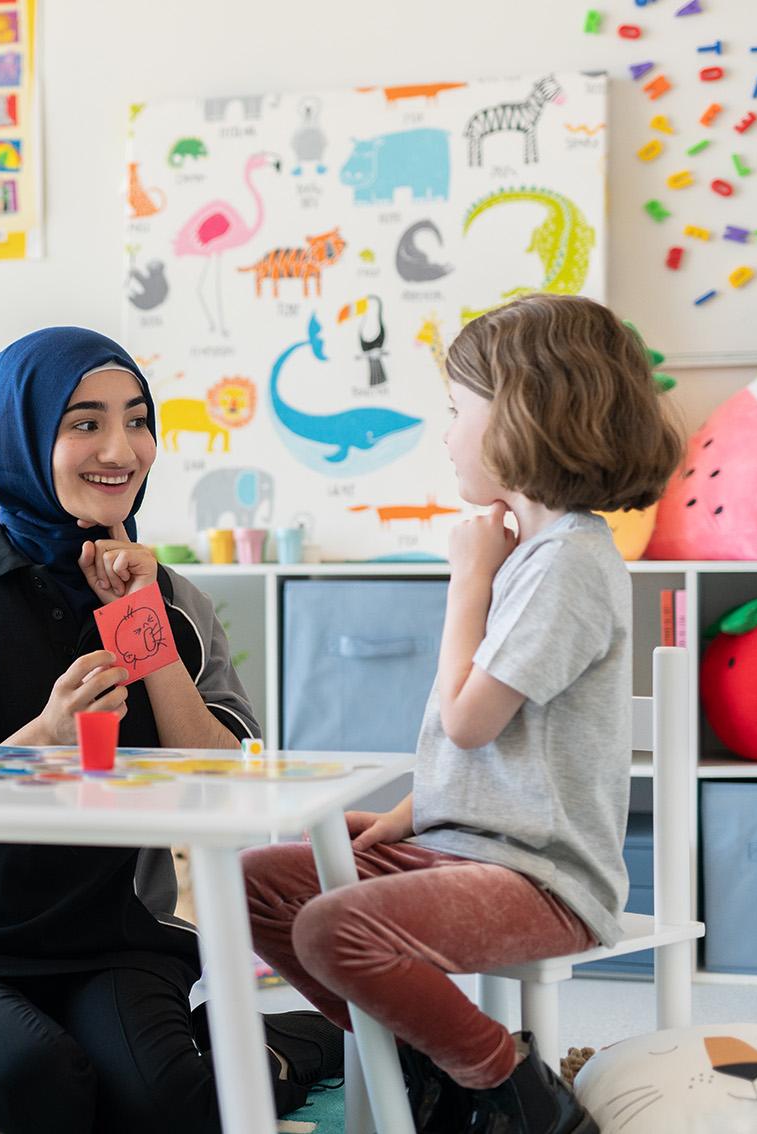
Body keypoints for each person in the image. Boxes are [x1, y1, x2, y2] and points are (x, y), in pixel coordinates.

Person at [0, 326, 335, 1134]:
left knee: (167, 1107)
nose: (122, 448)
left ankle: (284, 1047)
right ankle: (224, 1049)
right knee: (28, 1084)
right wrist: (37, 741)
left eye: (137, 419)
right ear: (20, 436)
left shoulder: (170, 598)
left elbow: (232, 784)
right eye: (84, 423)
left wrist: (141, 627)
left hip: (116, 942)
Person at [239, 294, 685, 1134]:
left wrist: (466, 580)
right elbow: (505, 752)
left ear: (521, 414)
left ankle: (507, 1086)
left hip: (544, 883)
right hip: (461, 848)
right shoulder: (536, 553)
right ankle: (418, 1059)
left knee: (336, 927)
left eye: (455, 410)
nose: (444, 433)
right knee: (255, 879)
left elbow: (469, 721)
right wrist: (411, 817)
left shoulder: (570, 565)